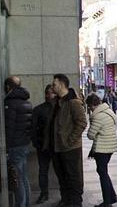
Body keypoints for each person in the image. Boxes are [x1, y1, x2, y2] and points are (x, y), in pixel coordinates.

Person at [0, 76, 33, 207]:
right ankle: (24, 204)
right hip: (20, 144)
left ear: (8, 87)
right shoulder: (26, 102)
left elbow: (6, 128)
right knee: (21, 177)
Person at [49, 73, 88, 207]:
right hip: (57, 148)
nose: (52, 87)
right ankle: (66, 201)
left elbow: (82, 123)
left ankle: (76, 203)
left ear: (61, 84)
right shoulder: (58, 102)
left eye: (54, 84)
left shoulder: (73, 102)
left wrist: (69, 140)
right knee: (62, 177)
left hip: (69, 148)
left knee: (73, 178)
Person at [86, 94, 117, 207]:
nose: (89, 109)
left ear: (92, 105)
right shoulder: (108, 111)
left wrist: (91, 124)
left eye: (89, 106)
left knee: (102, 173)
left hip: (102, 147)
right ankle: (112, 196)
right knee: (102, 171)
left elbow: (91, 135)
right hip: (109, 146)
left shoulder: (98, 116)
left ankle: (107, 201)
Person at [31, 84, 56, 204]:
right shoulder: (38, 109)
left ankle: (64, 194)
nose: (49, 95)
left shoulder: (60, 108)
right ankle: (44, 193)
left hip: (57, 145)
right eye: (47, 92)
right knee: (43, 171)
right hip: (43, 146)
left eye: (51, 92)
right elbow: (33, 128)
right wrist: (36, 143)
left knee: (60, 171)